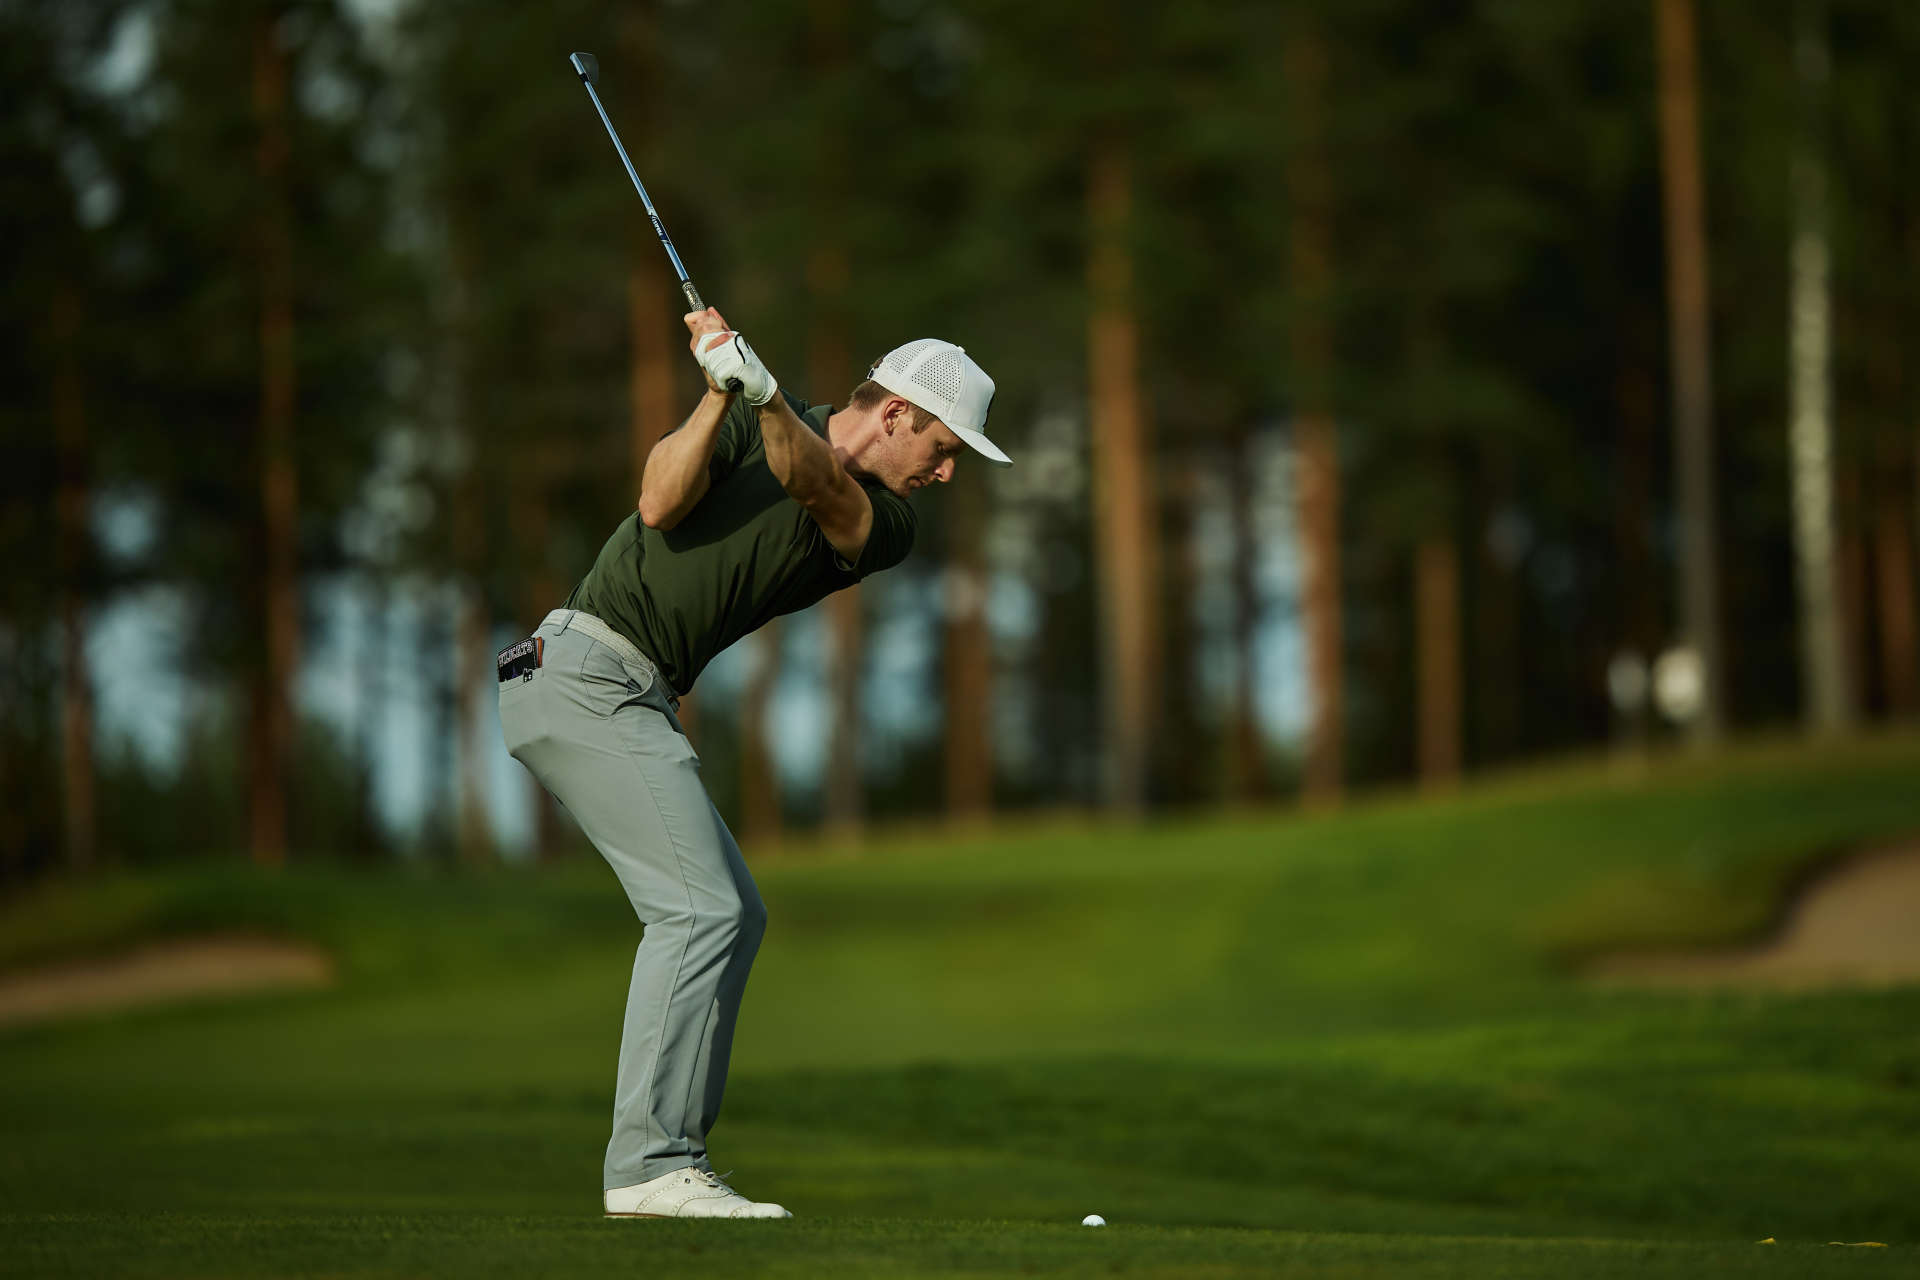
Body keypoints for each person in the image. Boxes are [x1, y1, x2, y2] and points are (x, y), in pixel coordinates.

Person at [496, 307, 1011, 1220]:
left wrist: (765, 395)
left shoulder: (885, 522)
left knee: (737, 913)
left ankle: (662, 1158)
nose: (947, 468)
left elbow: (816, 486)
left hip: (627, 691)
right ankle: (654, 1166)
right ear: (894, 413)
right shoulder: (742, 416)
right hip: (581, 671)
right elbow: (657, 501)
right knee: (703, 909)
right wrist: (716, 392)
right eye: (943, 443)